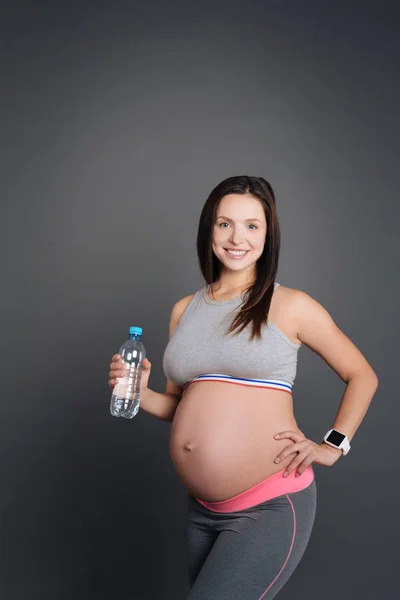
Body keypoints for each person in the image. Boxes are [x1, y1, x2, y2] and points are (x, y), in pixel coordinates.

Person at [108, 176, 378, 599]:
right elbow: (180, 407)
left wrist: (333, 444)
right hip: (202, 511)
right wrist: (140, 393)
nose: (238, 238)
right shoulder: (185, 309)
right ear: (209, 230)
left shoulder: (290, 305)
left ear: (268, 234)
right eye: (225, 224)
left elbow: (363, 375)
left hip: (269, 506)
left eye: (252, 225)